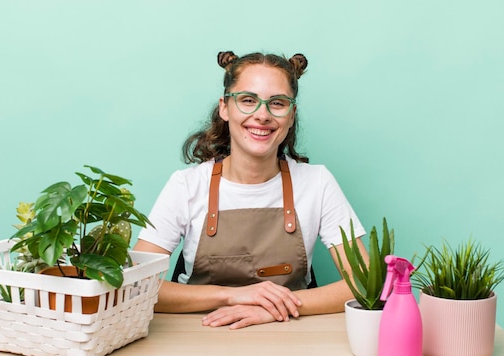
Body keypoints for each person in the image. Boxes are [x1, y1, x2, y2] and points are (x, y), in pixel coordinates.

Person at [133, 50, 367, 329]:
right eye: (248, 100)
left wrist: (275, 308)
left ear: (291, 115)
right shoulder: (186, 185)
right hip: (196, 336)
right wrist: (234, 296)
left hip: (292, 335)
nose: (262, 115)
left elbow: (366, 282)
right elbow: (136, 285)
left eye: (277, 103)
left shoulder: (317, 182)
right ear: (224, 108)